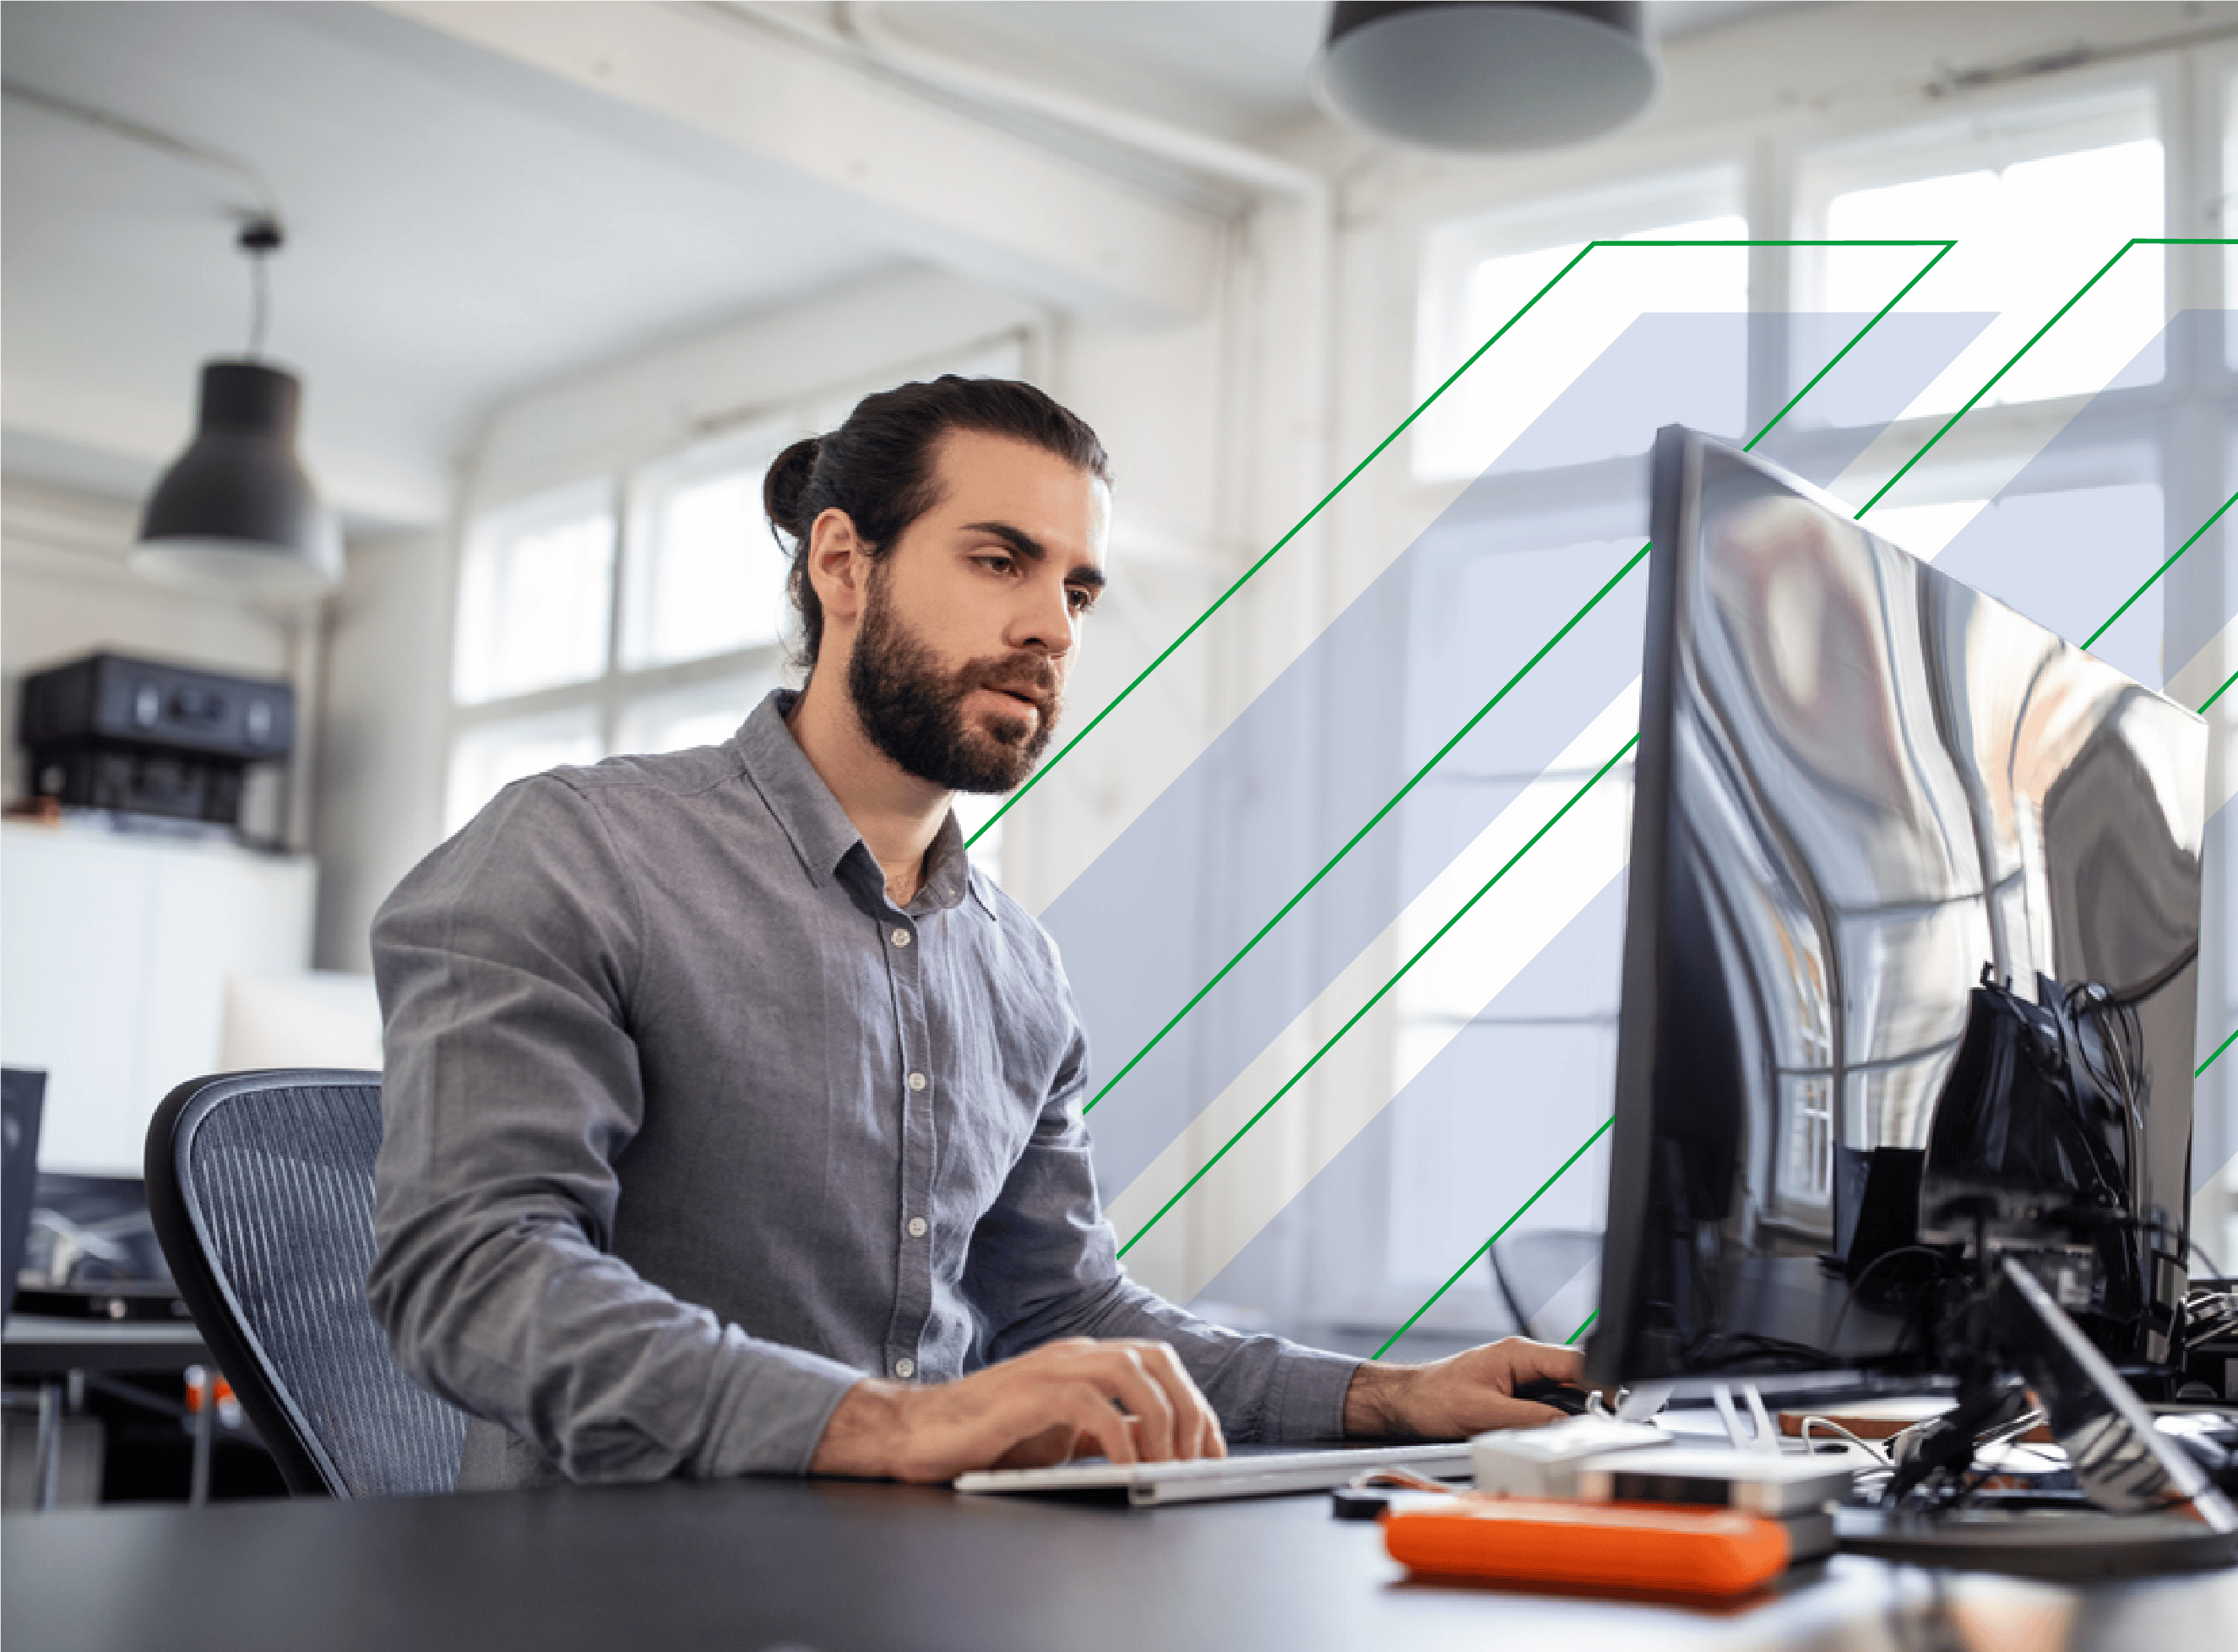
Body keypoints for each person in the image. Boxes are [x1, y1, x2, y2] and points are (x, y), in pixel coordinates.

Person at [367, 376, 1586, 1488]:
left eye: (1076, 588)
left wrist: (1390, 1398)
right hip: (622, 1595)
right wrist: (890, 1425)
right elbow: (471, 1272)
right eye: (1001, 561)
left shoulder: (1016, 967)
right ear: (843, 565)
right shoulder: (577, 854)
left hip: (928, 1585)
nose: (1054, 628)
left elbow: (1062, 1314)